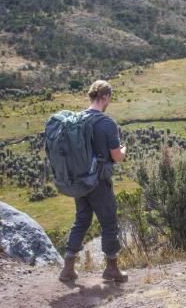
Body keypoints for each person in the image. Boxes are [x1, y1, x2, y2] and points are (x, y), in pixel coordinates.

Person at [59, 80, 128, 282]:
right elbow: (116, 156)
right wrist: (124, 150)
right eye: (109, 98)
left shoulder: (76, 120)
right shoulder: (107, 124)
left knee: (81, 220)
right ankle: (112, 269)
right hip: (98, 182)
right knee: (109, 223)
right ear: (105, 97)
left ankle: (68, 268)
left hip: (79, 182)